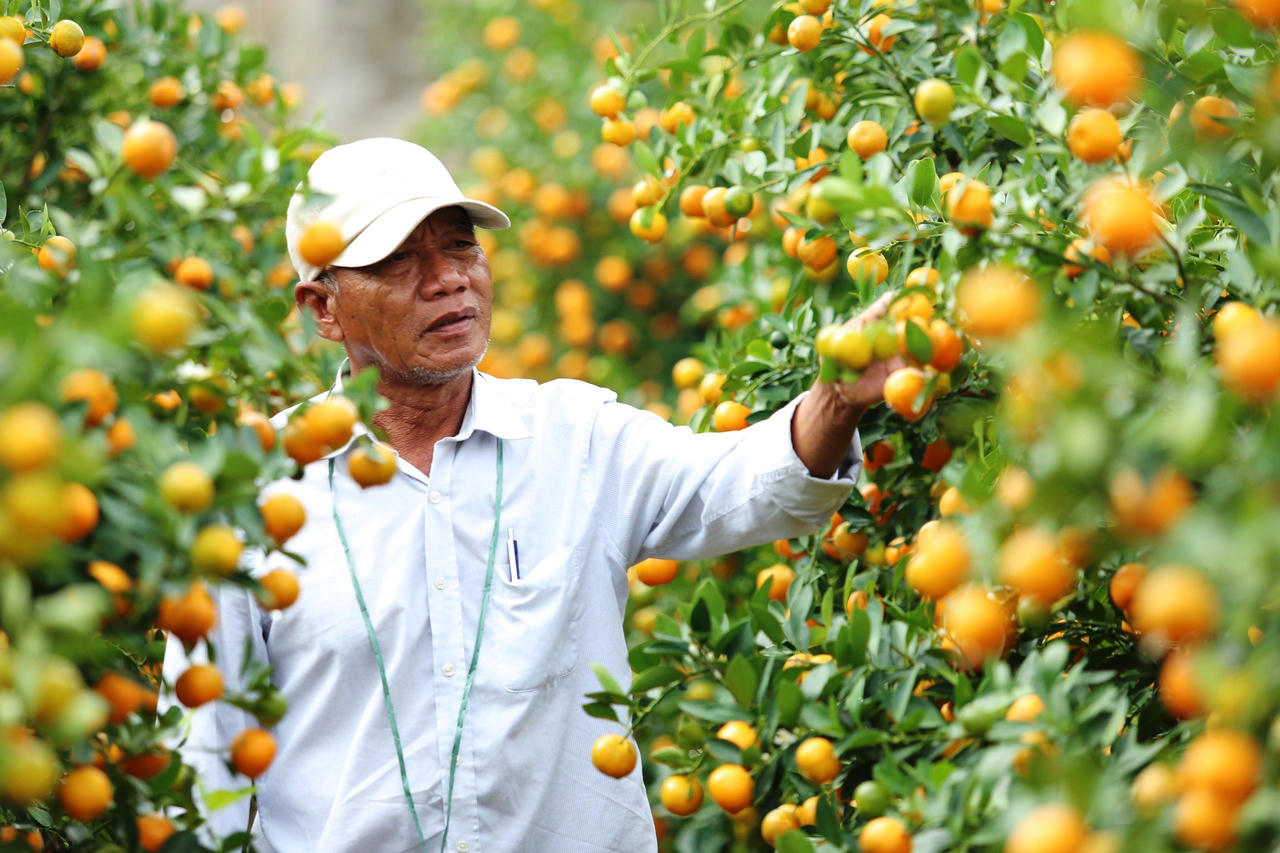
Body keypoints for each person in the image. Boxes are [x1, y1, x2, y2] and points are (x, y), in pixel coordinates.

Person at [162, 137, 900, 852]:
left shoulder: (574, 437)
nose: (449, 278)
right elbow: (201, 756)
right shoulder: (251, 494)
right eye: (398, 260)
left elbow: (743, 485)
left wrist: (837, 400)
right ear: (323, 307)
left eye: (460, 246)